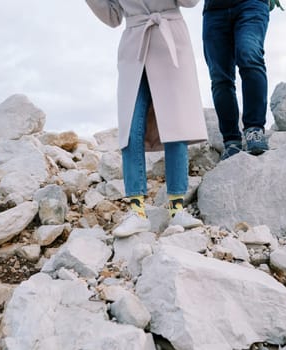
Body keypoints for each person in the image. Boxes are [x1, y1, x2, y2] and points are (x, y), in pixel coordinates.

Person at [85, 0, 208, 237]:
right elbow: (112, 17)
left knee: (176, 126)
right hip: (135, 46)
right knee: (131, 127)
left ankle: (176, 209)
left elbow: (190, 2)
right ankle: (137, 212)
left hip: (170, 39)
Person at [202, 0, 283, 160]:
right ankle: (231, 141)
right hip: (214, 10)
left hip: (251, 4)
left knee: (249, 55)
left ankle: (254, 130)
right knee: (219, 76)